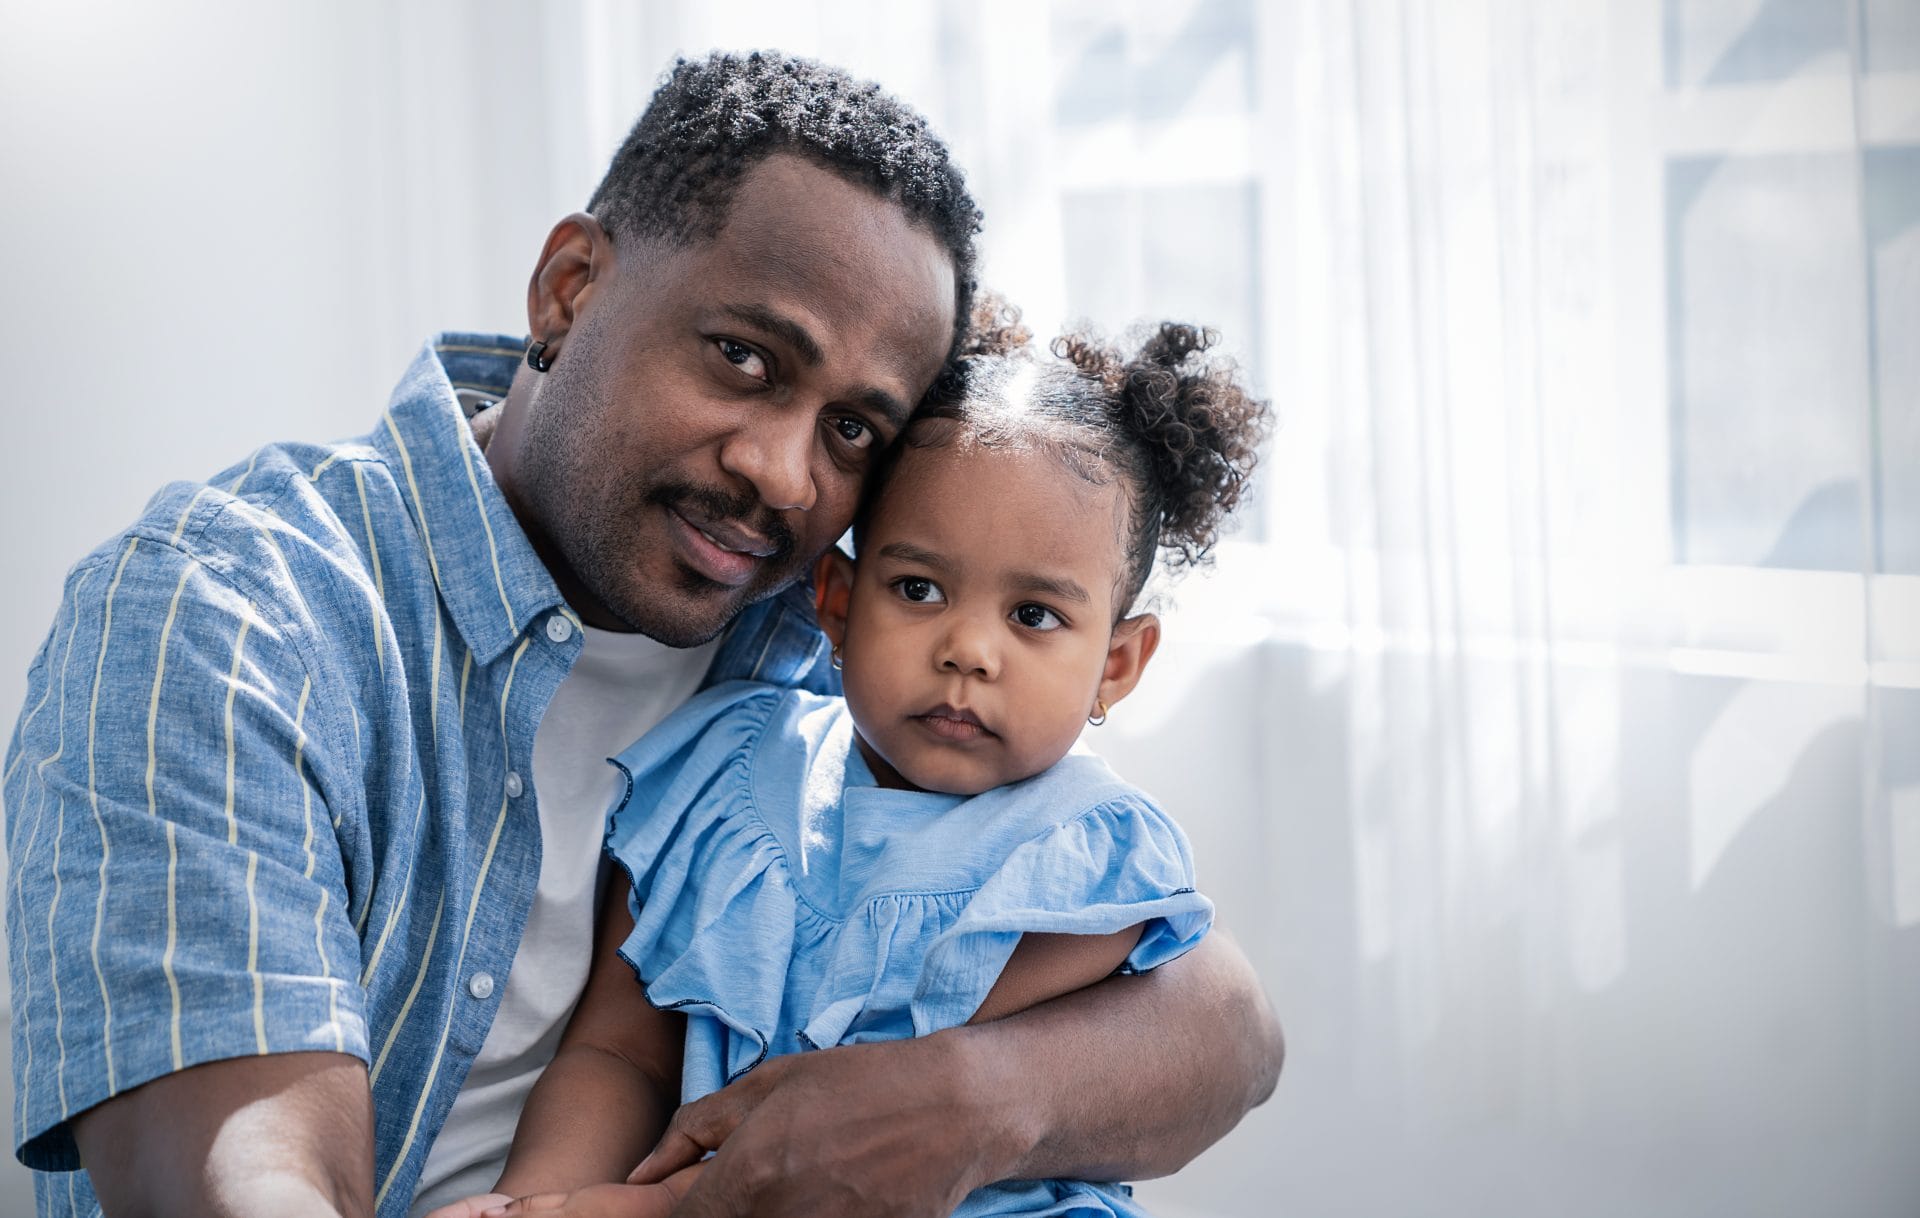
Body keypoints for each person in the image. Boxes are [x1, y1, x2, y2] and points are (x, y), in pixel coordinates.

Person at [4, 51, 1282, 1218]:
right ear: (570, 289)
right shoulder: (228, 619)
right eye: (742, 357)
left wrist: (948, 1104)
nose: (785, 475)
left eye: (852, 431)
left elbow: (1226, 1029)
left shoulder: (815, 627)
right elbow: (243, 1182)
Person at [424, 310, 1269, 1218]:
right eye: (917, 589)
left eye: (1034, 616)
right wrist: (531, 1201)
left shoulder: (1081, 856)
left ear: (1116, 664)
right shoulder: (723, 773)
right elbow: (619, 1054)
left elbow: (841, 1142)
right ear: (836, 603)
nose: (969, 650)